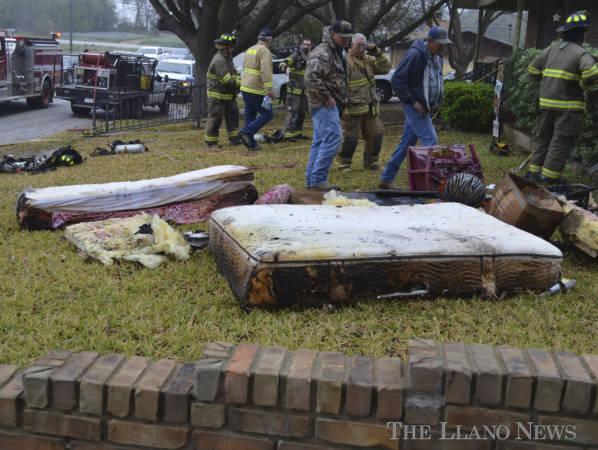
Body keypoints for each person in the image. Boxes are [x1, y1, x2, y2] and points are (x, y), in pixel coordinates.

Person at [526, 11, 598, 184]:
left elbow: (532, 70)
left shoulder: (551, 49)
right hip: (568, 107)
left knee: (542, 138)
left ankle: (533, 174)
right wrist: (581, 86)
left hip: (546, 104)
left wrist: (547, 83)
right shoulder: (581, 53)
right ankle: (549, 179)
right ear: (581, 33)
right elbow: (591, 73)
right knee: (560, 141)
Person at [379, 26, 452, 190]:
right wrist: (414, 102)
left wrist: (433, 102)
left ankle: (386, 178)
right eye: (439, 44)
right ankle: (429, 183)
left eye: (444, 44)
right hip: (415, 107)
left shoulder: (437, 56)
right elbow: (397, 80)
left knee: (406, 144)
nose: (442, 47)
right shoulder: (415, 55)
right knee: (430, 141)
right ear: (429, 41)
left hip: (424, 106)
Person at [304, 20, 353, 191]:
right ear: (333, 34)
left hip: (330, 103)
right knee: (333, 138)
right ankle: (318, 179)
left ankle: (312, 181)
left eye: (349, 37)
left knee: (320, 141)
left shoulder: (338, 51)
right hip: (323, 103)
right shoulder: (322, 52)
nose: (347, 40)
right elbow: (310, 78)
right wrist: (326, 97)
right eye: (343, 37)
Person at [335, 33, 391, 171]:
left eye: (364, 46)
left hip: (371, 107)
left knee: (376, 135)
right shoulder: (346, 61)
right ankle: (344, 163)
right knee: (350, 138)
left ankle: (370, 162)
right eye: (358, 46)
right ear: (351, 45)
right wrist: (343, 107)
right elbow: (339, 86)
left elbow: (385, 68)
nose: (361, 49)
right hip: (353, 108)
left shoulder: (368, 59)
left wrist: (378, 54)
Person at [239, 28, 275, 151]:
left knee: (250, 116)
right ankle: (246, 132)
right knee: (268, 114)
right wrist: (269, 89)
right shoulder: (265, 51)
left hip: (245, 87)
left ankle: (251, 144)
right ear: (269, 40)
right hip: (255, 89)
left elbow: (244, 67)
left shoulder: (250, 49)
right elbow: (266, 71)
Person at [205, 33, 242, 147]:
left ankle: (235, 139)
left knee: (233, 117)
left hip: (228, 96)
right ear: (227, 47)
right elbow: (227, 80)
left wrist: (238, 79)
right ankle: (211, 143)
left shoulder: (227, 58)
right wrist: (241, 83)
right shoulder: (219, 60)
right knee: (215, 120)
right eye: (232, 47)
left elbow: (234, 74)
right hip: (217, 97)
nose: (233, 49)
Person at [279, 39, 312, 141]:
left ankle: (298, 133)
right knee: (293, 112)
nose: (306, 46)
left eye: (308, 45)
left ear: (310, 47)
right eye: (304, 44)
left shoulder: (311, 57)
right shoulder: (296, 55)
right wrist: (284, 65)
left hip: (304, 92)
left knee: (302, 113)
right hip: (294, 92)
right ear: (301, 45)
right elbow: (285, 61)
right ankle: (288, 133)